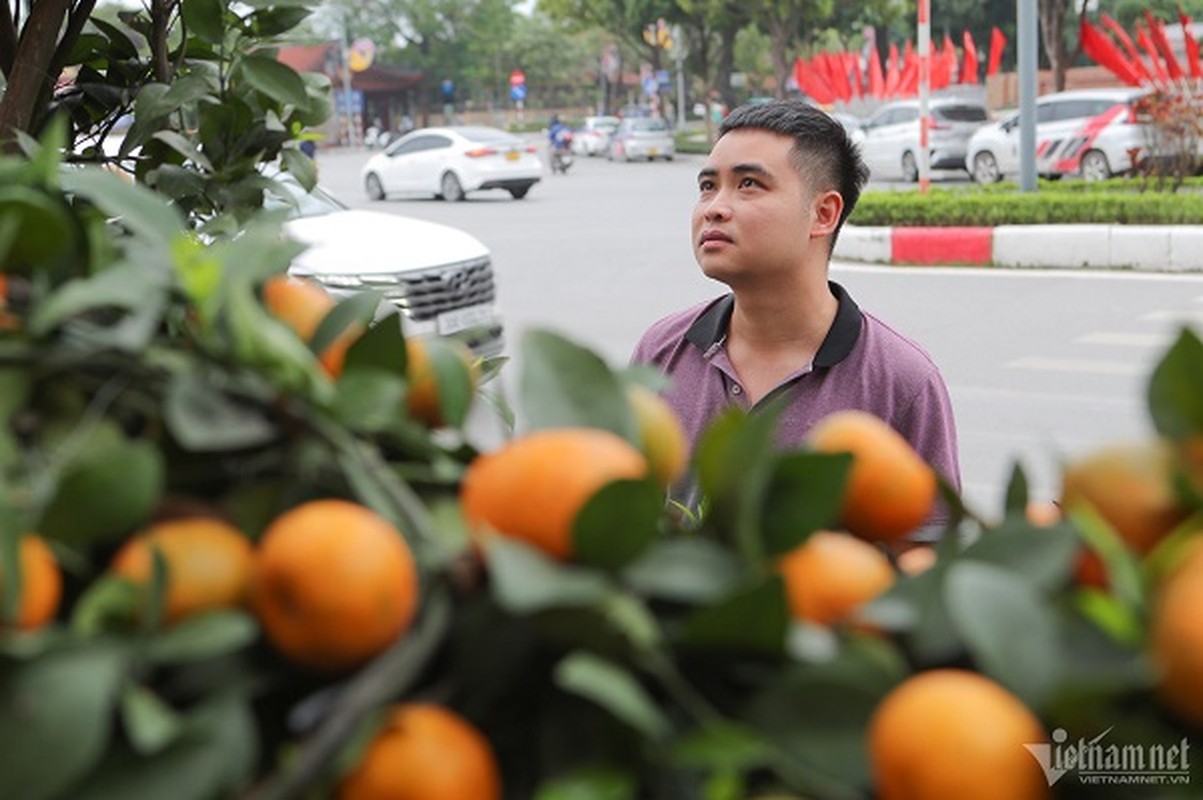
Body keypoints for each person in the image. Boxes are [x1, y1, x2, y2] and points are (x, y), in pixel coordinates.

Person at [630, 100, 960, 533]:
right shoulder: (663, 353)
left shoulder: (900, 382)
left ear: (823, 214)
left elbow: (931, 563)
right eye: (707, 186)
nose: (714, 207)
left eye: (748, 184)